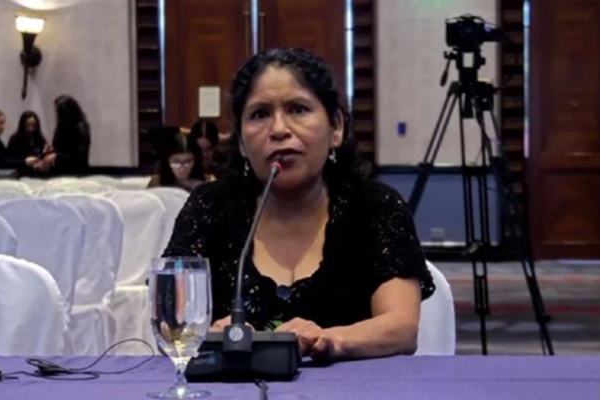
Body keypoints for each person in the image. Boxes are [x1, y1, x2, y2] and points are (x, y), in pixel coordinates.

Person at [163, 47, 434, 361]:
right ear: (241, 142)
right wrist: (209, 335)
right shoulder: (209, 207)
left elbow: (401, 327)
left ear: (336, 127)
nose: (279, 130)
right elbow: (171, 322)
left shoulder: (376, 207)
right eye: (260, 114)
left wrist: (327, 339)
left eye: (298, 109)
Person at [40, 95, 91, 176]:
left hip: (75, 171)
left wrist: (57, 156)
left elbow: (79, 155)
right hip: (61, 169)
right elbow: (61, 147)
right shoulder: (61, 127)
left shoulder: (80, 128)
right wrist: (52, 149)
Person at [7, 110, 52, 176]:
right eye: (28, 125)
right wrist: (25, 162)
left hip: (39, 173)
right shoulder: (15, 140)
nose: (31, 129)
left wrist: (47, 152)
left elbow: (42, 155)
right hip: (22, 173)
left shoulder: (40, 139)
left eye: (34, 125)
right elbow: (10, 159)